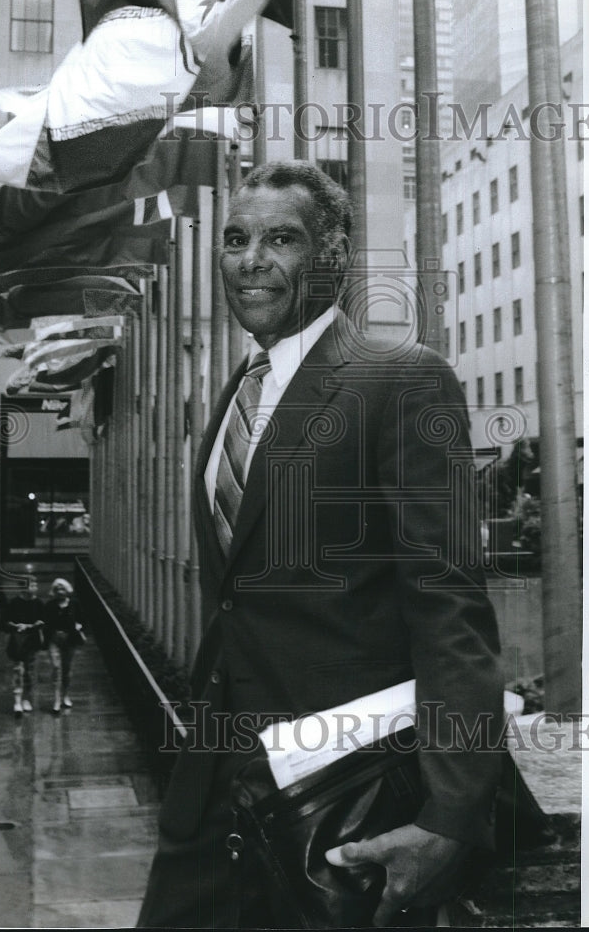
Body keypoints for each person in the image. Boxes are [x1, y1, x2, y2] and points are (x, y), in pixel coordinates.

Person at [137, 161, 505, 929]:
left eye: (281, 238)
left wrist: (450, 816)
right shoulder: (237, 394)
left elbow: (449, 609)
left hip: (343, 795)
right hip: (215, 783)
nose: (250, 259)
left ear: (333, 254)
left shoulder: (398, 381)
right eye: (235, 239)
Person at [1, 574, 45, 717]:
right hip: (18, 640)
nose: (35, 588)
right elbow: (5, 622)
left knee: (30, 671)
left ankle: (26, 697)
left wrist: (35, 625)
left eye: (35, 585)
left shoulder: (38, 603)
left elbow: (44, 620)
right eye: (32, 585)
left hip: (31, 641)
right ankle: (18, 700)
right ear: (24, 587)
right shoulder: (14, 603)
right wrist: (16, 626)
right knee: (18, 670)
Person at [44, 577, 86, 714]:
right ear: (54, 591)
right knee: (56, 668)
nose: (60, 591)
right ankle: (56, 699)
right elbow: (46, 624)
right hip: (54, 640)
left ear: (67, 590)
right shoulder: (49, 606)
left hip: (70, 640)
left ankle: (65, 695)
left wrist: (79, 626)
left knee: (67, 670)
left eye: (62, 589)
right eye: (57, 589)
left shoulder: (74, 604)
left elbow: (82, 620)